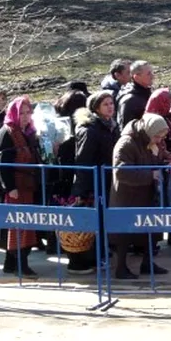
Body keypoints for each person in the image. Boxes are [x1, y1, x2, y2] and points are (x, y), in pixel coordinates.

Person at [110, 114, 171, 280]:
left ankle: (147, 263)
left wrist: (165, 161)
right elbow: (121, 171)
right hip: (127, 196)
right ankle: (121, 268)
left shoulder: (151, 141)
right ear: (148, 131)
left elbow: (156, 159)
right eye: (157, 136)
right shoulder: (127, 142)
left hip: (147, 194)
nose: (159, 140)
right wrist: (150, 175)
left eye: (162, 137)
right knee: (125, 234)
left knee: (151, 231)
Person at [0, 96, 44, 277]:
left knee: (24, 225)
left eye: (28, 112)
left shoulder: (27, 132)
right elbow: (2, 163)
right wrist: (10, 187)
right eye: (22, 113)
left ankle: (10, 263)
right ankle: (22, 264)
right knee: (18, 227)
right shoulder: (7, 132)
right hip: (15, 188)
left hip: (27, 185)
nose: (25, 116)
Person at [69, 90, 118, 274]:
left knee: (104, 221)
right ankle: (89, 260)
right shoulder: (90, 129)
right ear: (96, 108)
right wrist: (80, 191)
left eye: (111, 103)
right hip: (93, 182)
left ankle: (101, 255)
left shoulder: (112, 126)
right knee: (91, 224)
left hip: (107, 181)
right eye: (105, 104)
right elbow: (83, 160)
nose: (110, 107)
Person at [116, 60, 154, 128]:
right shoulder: (130, 100)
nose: (152, 76)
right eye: (148, 73)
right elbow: (125, 127)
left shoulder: (146, 93)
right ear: (137, 77)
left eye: (152, 72)